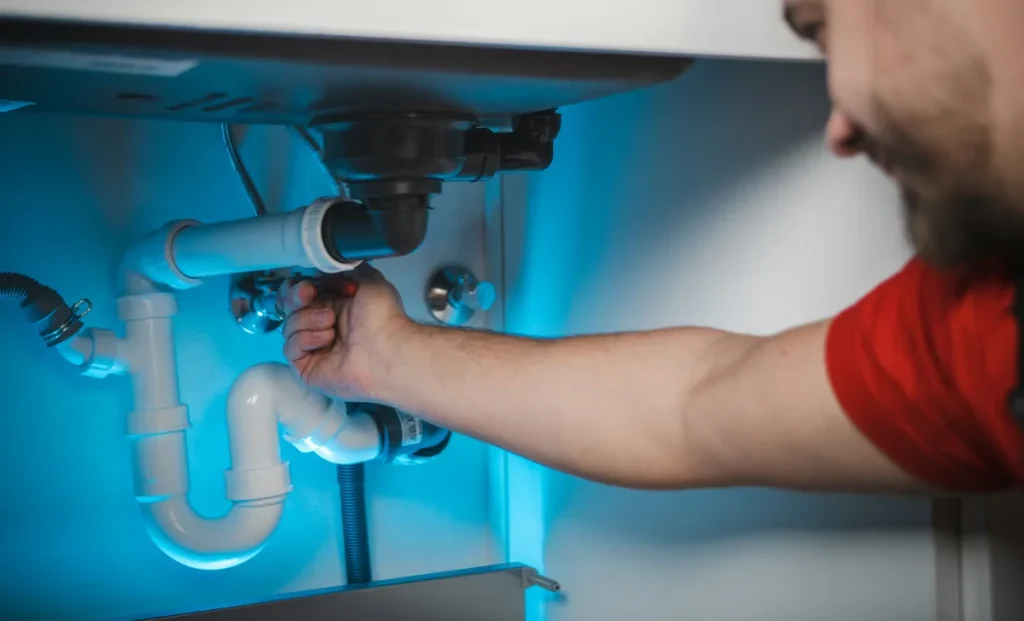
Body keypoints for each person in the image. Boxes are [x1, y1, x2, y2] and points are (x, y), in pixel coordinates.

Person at [279, 0, 1024, 495]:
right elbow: (691, 408)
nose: (841, 131)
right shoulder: (981, 330)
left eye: (821, 27)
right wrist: (389, 356)